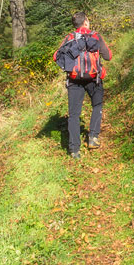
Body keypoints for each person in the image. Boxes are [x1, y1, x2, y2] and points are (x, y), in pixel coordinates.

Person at [54, 12, 111, 159]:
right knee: (97, 105)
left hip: (74, 80)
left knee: (74, 115)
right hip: (93, 79)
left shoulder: (69, 38)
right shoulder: (95, 36)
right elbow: (108, 56)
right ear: (85, 22)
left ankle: (74, 151)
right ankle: (93, 137)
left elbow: (56, 56)